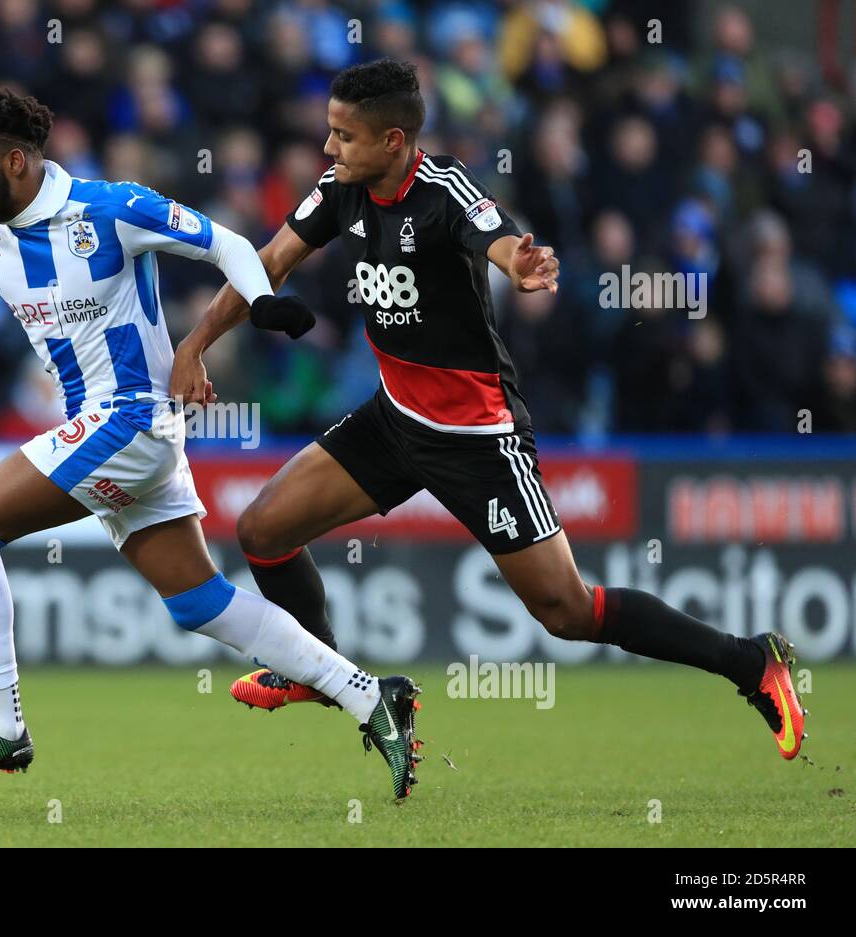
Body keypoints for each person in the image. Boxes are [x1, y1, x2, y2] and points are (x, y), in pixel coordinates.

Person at [171, 59, 804, 761]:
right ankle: (322, 671)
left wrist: (518, 263)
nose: (328, 149)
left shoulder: (444, 189)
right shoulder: (340, 190)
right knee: (264, 528)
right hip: (395, 418)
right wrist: (194, 343)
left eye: (343, 137)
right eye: (328, 133)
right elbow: (272, 261)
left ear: (394, 141)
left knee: (568, 610)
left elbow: (497, 235)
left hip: (477, 437)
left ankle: (752, 661)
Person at [0, 89, 423, 800]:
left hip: (128, 419)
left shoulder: (113, 208)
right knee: (197, 601)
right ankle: (370, 694)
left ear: (18, 161)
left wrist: (263, 300)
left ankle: (2, 722)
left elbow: (227, 244)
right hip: (116, 433)